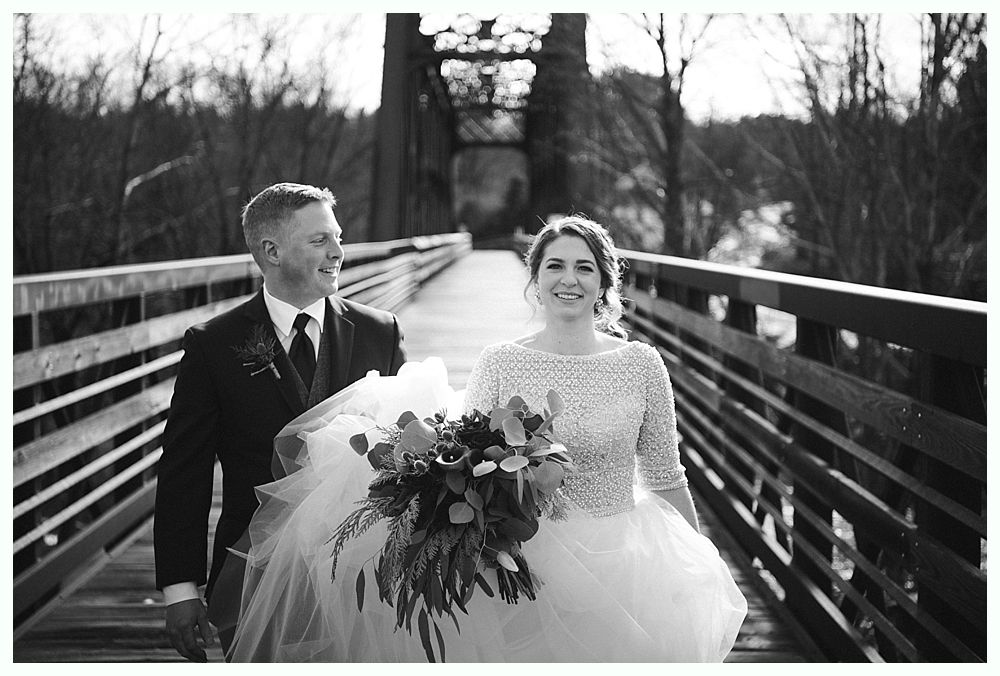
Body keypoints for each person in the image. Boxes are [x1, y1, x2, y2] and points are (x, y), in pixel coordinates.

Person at [226, 215, 747, 661]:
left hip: (626, 561)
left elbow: (665, 473)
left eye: (584, 267)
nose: (570, 280)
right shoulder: (501, 361)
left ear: (605, 281)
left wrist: (696, 563)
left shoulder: (640, 363)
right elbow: (462, 463)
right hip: (527, 564)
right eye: (555, 266)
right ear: (536, 280)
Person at [153, 182, 406, 661]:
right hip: (250, 568)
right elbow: (184, 471)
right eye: (319, 241)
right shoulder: (213, 344)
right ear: (271, 251)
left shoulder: (380, 332)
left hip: (361, 570)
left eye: (337, 236)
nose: (338, 252)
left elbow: (412, 451)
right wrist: (181, 589)